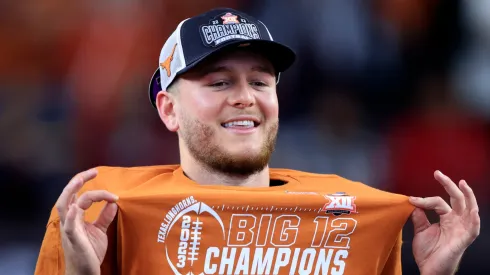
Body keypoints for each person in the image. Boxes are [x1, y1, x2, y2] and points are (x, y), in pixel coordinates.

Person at [35, 7, 480, 275]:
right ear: (169, 109)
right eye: (220, 82)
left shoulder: (352, 212)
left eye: (260, 82)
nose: (245, 97)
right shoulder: (101, 212)